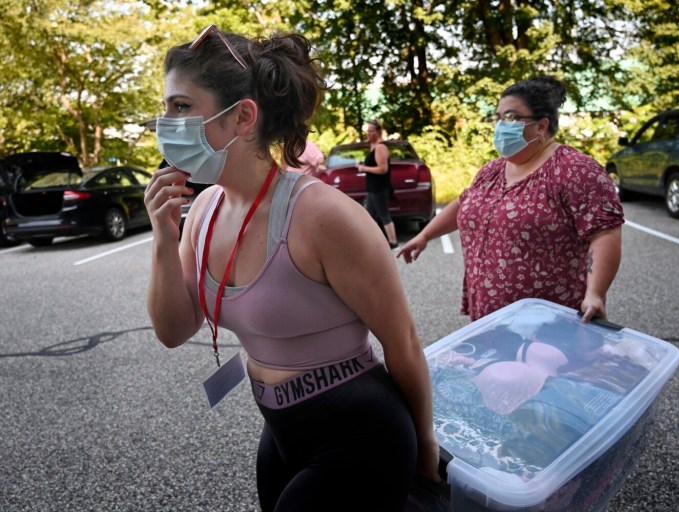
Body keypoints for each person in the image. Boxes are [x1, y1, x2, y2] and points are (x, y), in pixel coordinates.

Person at [143, 25, 439, 511]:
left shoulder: (323, 216)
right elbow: (173, 331)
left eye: (180, 107)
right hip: (280, 432)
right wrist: (163, 236)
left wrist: (425, 447)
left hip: (362, 433)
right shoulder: (202, 211)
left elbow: (402, 339)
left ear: (242, 116)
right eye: (165, 108)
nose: (164, 122)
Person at [398, 76, 624, 322]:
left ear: (541, 126)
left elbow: (604, 233)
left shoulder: (575, 169)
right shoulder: (493, 170)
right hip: (489, 313)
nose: (501, 125)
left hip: (548, 318)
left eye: (513, 117)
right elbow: (465, 203)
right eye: (499, 118)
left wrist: (595, 294)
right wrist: (425, 235)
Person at [356, 119, 398, 249]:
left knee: (383, 214)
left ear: (378, 131)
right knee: (370, 215)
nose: (368, 134)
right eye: (367, 131)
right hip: (372, 187)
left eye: (371, 131)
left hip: (380, 187)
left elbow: (383, 169)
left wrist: (364, 168)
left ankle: (393, 242)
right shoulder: (372, 146)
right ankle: (374, 242)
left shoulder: (380, 147)